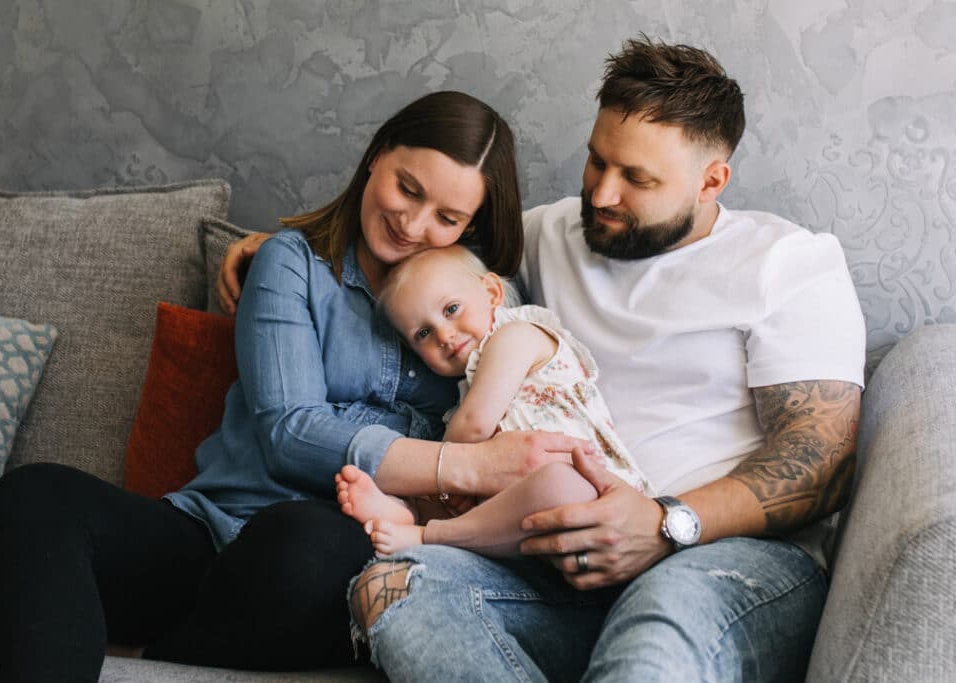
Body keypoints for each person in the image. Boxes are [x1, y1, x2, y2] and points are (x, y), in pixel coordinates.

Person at [219, 37, 866, 680]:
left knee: (653, 645)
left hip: (711, 558)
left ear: (711, 180)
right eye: (597, 161)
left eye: (637, 178)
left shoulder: (787, 264)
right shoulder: (551, 233)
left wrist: (667, 522)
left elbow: (822, 461)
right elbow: (426, 254)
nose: (603, 194)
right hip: (550, 560)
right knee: (392, 589)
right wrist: (281, 248)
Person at [0, 90, 593, 682]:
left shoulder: (487, 304)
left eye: (447, 217)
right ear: (377, 155)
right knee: (34, 495)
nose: (412, 223)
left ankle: (159, 648)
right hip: (215, 530)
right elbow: (288, 433)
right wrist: (464, 466)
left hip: (338, 550)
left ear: (470, 229)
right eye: (407, 188)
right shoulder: (291, 263)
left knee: (312, 544)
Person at [336, 244, 651, 558]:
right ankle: (408, 512)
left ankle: (428, 532)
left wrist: (442, 483)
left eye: (451, 310)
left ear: (491, 292)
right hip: (525, 524)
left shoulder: (516, 335)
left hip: (594, 499)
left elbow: (474, 425)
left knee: (556, 483)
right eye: (423, 333)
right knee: (473, 500)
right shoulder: (463, 396)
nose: (444, 335)